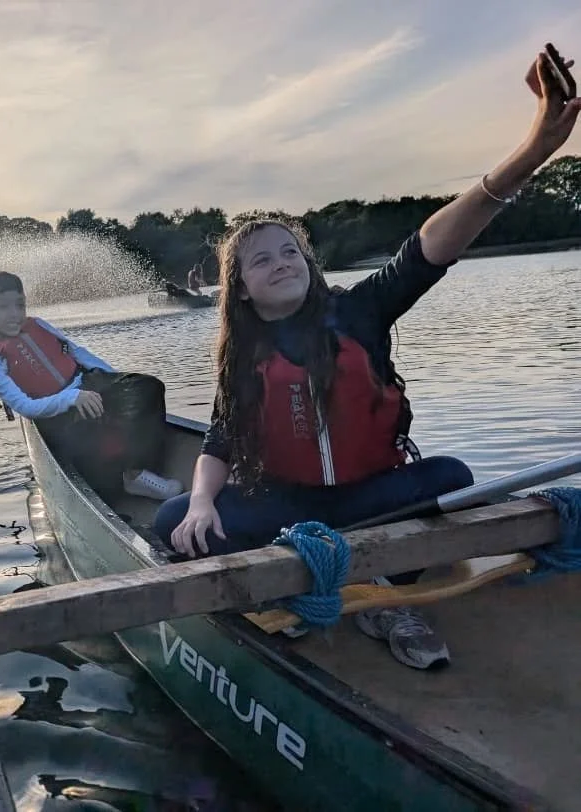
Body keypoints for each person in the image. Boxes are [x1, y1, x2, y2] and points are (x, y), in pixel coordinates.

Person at [153, 49, 580, 670]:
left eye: (290, 250)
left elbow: (431, 246)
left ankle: (366, 590)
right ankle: (341, 579)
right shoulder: (243, 353)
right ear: (240, 286)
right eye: (263, 259)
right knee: (173, 519)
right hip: (289, 503)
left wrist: (531, 153)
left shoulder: (360, 312)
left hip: (370, 497)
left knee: (454, 477)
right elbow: (219, 441)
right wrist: (199, 503)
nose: (282, 262)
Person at [0, 271, 182, 501]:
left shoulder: (39, 325)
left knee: (148, 387)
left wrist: (116, 380)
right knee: (89, 432)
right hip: (59, 413)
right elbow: (27, 407)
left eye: (20, 305)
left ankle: (137, 472)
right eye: (2, 308)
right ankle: (118, 481)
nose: (14, 314)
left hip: (87, 384)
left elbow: (76, 351)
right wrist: (71, 398)